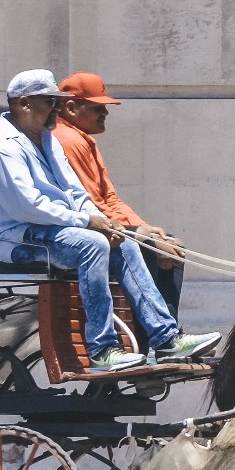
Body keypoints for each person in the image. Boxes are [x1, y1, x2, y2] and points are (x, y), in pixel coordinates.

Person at [0, 68, 218, 372]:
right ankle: (103, 349)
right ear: (24, 104)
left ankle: (165, 337)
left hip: (49, 229)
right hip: (13, 238)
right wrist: (89, 223)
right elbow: (28, 207)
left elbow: (76, 192)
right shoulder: (2, 149)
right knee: (93, 245)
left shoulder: (47, 139)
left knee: (123, 243)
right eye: (50, 101)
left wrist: (107, 223)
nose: (57, 108)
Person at [54, 71, 185, 313]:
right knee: (154, 249)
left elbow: (109, 198)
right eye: (98, 108)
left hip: (98, 224)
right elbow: (90, 203)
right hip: (81, 228)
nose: (106, 113)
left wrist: (146, 228)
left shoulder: (80, 139)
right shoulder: (68, 140)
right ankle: (159, 341)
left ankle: (163, 334)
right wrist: (146, 237)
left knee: (169, 246)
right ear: (71, 107)